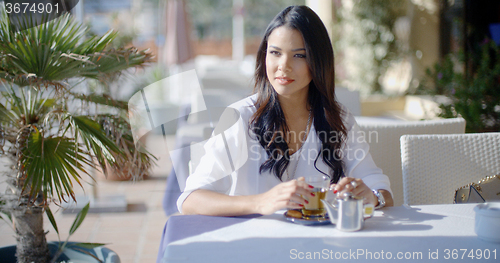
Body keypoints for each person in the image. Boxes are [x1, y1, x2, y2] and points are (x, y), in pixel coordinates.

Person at [179, 5, 394, 216]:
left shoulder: (338, 119)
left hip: (318, 245)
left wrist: (372, 196)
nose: (284, 65)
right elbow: (190, 199)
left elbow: (381, 189)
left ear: (318, 62)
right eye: (275, 53)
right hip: (254, 245)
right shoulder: (240, 118)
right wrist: (260, 203)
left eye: (299, 55)